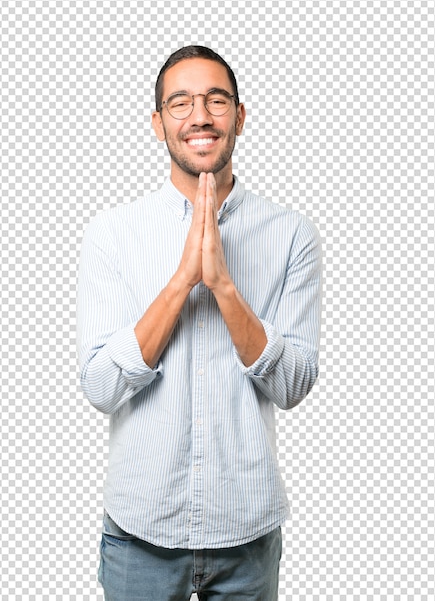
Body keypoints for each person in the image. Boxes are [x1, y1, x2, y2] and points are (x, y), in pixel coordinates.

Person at [77, 45, 322, 601]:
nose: (200, 116)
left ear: (240, 115)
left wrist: (224, 287)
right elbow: (100, 387)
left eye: (216, 99)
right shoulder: (113, 234)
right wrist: (183, 280)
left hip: (247, 538)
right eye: (180, 102)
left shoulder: (291, 235)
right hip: (140, 535)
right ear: (158, 123)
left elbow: (292, 386)